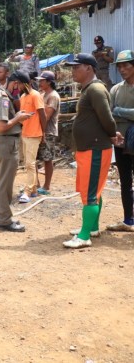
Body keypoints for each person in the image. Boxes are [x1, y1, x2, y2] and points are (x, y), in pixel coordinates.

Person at [64, 53, 117, 249]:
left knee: (90, 194)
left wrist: (112, 134)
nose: (73, 71)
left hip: (95, 148)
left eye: (76, 67)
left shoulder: (95, 89)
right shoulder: (88, 89)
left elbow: (107, 118)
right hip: (89, 148)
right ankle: (92, 227)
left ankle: (84, 236)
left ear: (88, 68)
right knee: (94, 190)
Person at [0, 73, 33, 232]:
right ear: (15, 83)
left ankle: (0, 214)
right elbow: (1, 126)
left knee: (3, 181)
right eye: (22, 86)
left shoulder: (2, 95)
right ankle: (5, 219)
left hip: (6, 142)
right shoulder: (4, 99)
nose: (22, 90)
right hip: (7, 141)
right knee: (5, 184)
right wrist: (18, 118)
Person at [107, 50, 134, 232]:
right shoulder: (116, 89)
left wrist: (120, 111)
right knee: (125, 181)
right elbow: (109, 114)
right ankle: (128, 220)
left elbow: (115, 112)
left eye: (126, 65)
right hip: (121, 142)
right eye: (120, 66)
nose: (122, 69)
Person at [17, 71, 46, 204]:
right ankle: (33, 189)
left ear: (24, 83)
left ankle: (28, 191)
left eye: (18, 83)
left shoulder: (36, 95)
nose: (17, 86)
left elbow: (42, 114)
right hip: (26, 133)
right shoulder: (23, 97)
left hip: (34, 134)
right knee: (29, 163)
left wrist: (43, 132)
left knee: (30, 163)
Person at [35, 71, 61, 195]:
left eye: (42, 81)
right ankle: (36, 184)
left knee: (47, 159)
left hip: (48, 131)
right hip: (40, 130)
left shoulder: (53, 96)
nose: (39, 83)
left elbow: (46, 116)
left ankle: (46, 186)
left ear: (49, 82)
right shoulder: (42, 94)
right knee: (35, 158)